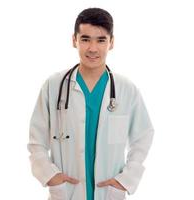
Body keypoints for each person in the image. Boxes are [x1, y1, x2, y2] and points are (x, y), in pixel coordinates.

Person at [27, 7, 154, 200]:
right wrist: (50, 176)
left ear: (111, 42)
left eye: (101, 40)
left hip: (109, 191)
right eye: (85, 39)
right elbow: (36, 140)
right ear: (74, 40)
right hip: (67, 191)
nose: (93, 48)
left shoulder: (126, 89)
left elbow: (143, 137)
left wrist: (126, 179)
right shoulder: (53, 86)